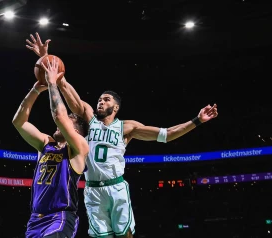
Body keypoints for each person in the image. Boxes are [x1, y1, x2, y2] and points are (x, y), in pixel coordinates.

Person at [26, 33, 219, 238]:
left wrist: (197, 120)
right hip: (92, 189)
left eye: (106, 100)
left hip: (116, 186)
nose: (101, 102)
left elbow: (168, 134)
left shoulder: (127, 128)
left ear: (115, 107)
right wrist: (48, 60)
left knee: (125, 234)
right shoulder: (90, 120)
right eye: (100, 99)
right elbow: (65, 88)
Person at [12, 57, 89, 238]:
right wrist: (35, 89)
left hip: (59, 217)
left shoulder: (79, 147)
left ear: (76, 130)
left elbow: (59, 116)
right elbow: (18, 122)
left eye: (69, 120)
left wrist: (52, 83)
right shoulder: (46, 144)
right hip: (35, 219)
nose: (58, 126)